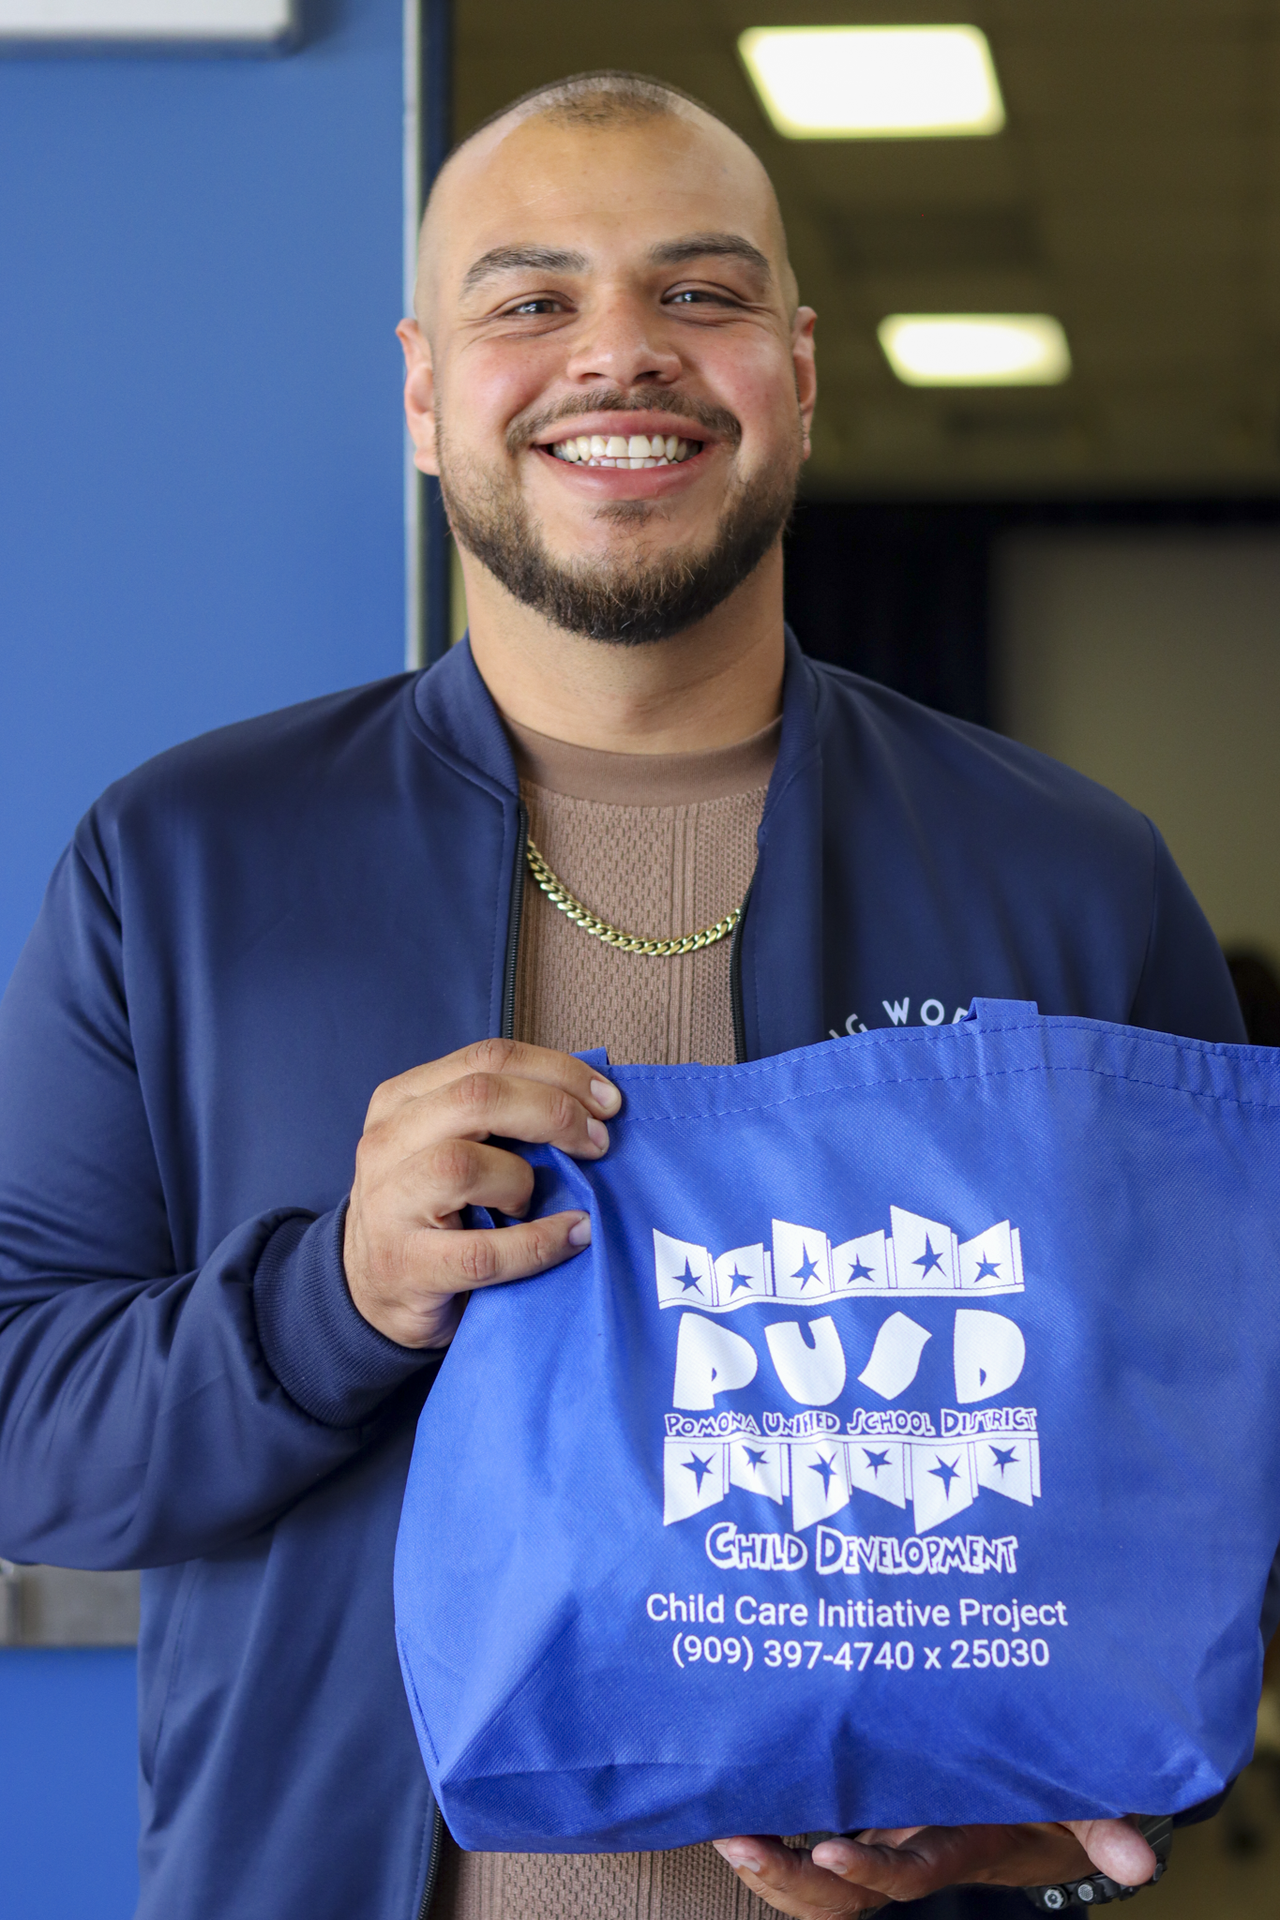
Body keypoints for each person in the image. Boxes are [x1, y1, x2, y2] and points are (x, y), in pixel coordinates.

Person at [0, 68, 1251, 1920]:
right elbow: (29, 1428)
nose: (621, 355)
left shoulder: (1071, 875)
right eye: (531, 301)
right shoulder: (183, 861)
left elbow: (1221, 1444)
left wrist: (1040, 1832)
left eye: (701, 293)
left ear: (797, 375)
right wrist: (333, 1296)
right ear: (427, 395)